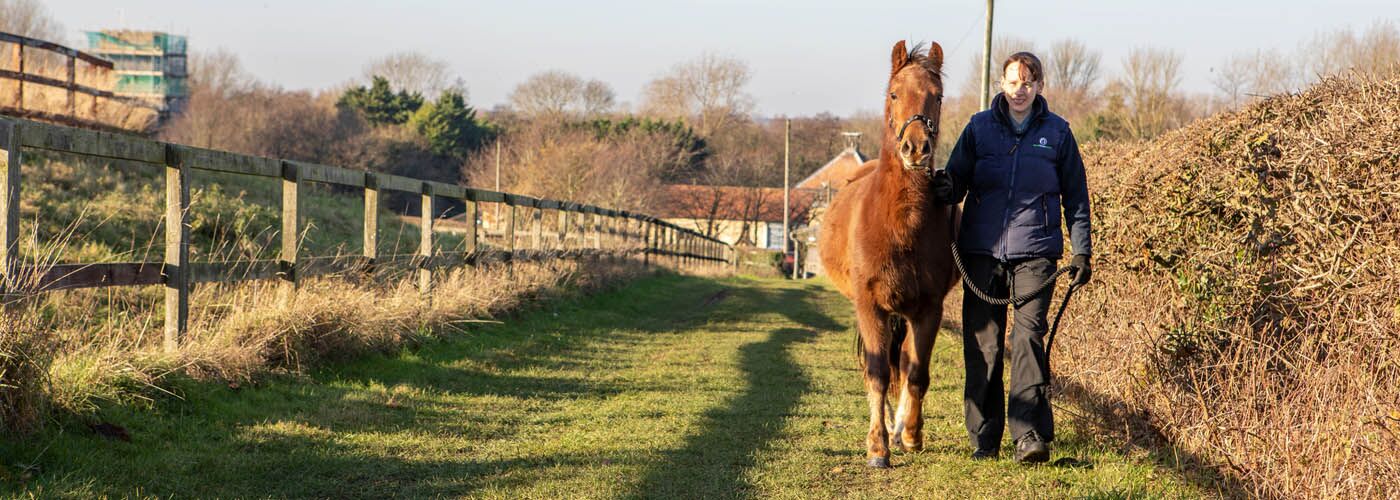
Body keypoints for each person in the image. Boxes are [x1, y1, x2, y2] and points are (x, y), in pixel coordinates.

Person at [931, 52, 1092, 463]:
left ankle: (1028, 435)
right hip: (982, 252)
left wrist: (1081, 251)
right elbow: (957, 178)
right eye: (1012, 81)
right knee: (983, 345)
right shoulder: (979, 129)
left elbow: (1075, 198)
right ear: (1000, 84)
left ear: (1039, 86)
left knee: (1026, 340)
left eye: (1027, 82)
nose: (1019, 90)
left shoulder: (1057, 134)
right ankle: (984, 436)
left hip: (1036, 253)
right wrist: (946, 188)